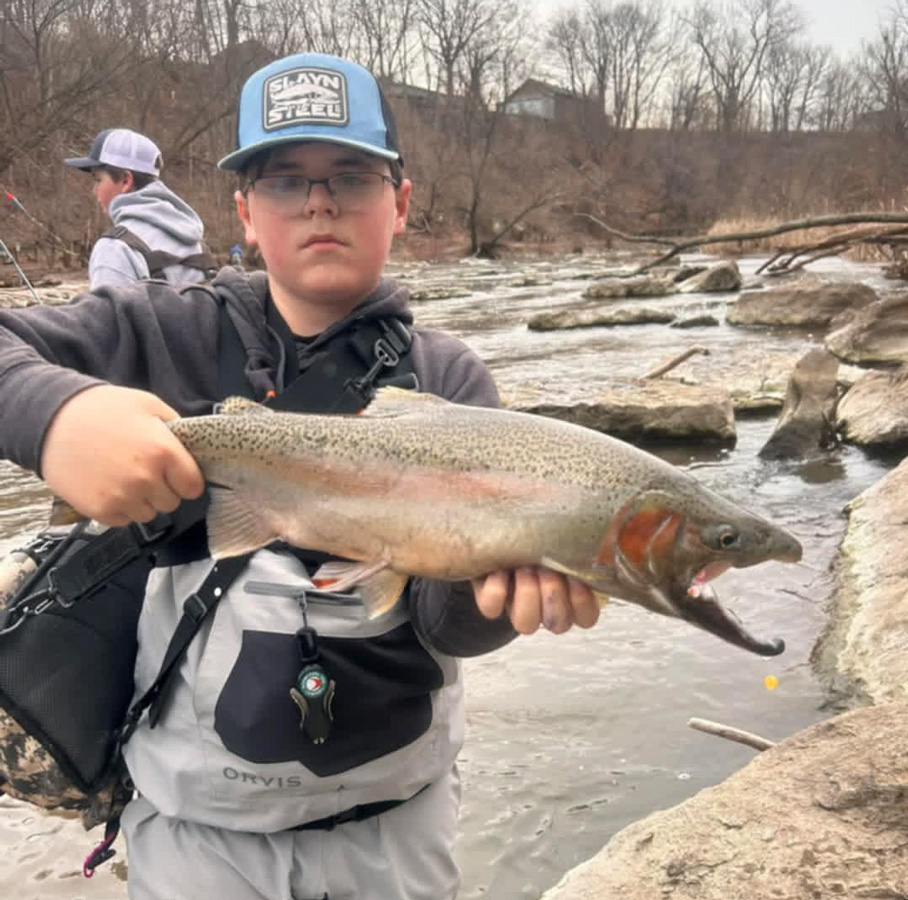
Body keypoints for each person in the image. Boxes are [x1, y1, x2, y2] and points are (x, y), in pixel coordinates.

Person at [0, 52, 599, 899]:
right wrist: (54, 417)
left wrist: (498, 598)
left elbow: (443, 624)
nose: (321, 202)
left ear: (400, 202)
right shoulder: (159, 334)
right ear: (244, 212)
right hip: (194, 840)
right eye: (287, 181)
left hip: (395, 831)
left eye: (351, 176)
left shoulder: (450, 381)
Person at [64, 128, 215, 288]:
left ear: (125, 181)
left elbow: (104, 313)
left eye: (98, 179)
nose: (94, 191)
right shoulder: (196, 242)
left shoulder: (114, 249)